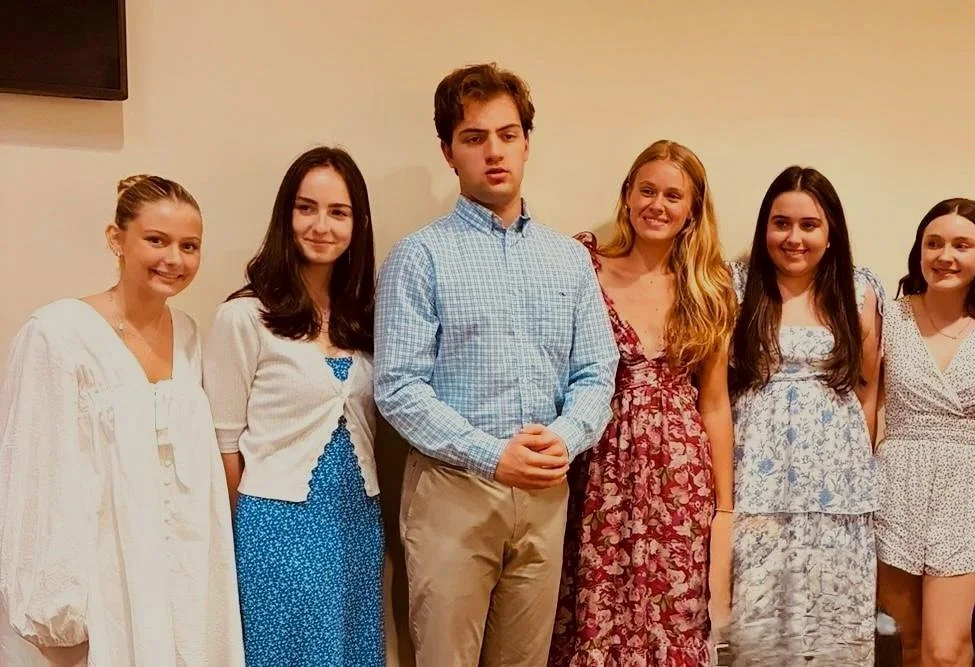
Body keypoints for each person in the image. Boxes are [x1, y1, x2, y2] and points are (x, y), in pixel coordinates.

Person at [375, 62, 619, 666]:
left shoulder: (568, 260)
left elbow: (596, 371)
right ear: (448, 151)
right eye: (474, 137)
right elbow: (400, 386)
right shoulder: (420, 257)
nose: (494, 152)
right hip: (453, 492)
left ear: (527, 143)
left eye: (508, 135)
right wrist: (493, 455)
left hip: (545, 492)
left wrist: (563, 438)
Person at [0, 175, 244, 667]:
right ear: (117, 239)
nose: (174, 259)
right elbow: (32, 474)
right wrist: (57, 608)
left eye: (188, 245)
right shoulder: (58, 334)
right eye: (156, 240)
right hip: (101, 583)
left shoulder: (192, 337)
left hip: (184, 584)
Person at [550, 140, 737, 666]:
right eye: (647, 190)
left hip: (680, 479)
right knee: (594, 608)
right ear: (627, 196)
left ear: (692, 210)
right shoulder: (584, 265)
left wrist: (724, 505)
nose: (658, 205)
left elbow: (716, 403)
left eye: (673, 196)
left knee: (672, 615)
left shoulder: (710, 286)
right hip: (598, 465)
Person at [202, 147, 382, 667]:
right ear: (287, 215)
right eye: (307, 208)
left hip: (357, 518)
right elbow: (224, 444)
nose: (321, 225)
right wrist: (240, 537)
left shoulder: (365, 317)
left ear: (357, 222)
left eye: (338, 211)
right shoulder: (245, 316)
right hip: (275, 524)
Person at [727, 165, 883, 666]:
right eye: (781, 223)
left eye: (809, 225)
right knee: (755, 629)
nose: (794, 238)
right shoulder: (734, 286)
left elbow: (868, 391)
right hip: (755, 483)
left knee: (832, 630)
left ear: (830, 230)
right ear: (764, 227)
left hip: (837, 491)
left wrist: (859, 471)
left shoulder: (858, 292)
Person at [875, 198, 975, 667]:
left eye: (961, 244)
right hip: (896, 485)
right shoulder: (886, 316)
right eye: (933, 243)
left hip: (969, 491)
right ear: (918, 251)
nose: (945, 256)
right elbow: (865, 404)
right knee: (907, 645)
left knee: (948, 651)